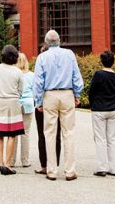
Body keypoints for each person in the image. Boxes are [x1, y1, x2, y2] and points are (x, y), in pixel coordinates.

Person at [33, 29, 83, 181]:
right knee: (69, 133)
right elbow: (76, 76)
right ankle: (70, 171)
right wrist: (77, 94)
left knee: (49, 133)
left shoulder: (42, 57)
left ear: (46, 42)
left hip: (50, 95)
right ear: (59, 41)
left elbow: (38, 81)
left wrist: (38, 100)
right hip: (67, 93)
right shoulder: (69, 54)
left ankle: (51, 170)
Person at [0, 44, 25, 175]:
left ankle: (0, 162)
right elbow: (20, 89)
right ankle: (7, 164)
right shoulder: (18, 72)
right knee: (12, 134)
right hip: (13, 103)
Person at [89, 50, 115, 177]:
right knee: (112, 139)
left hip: (99, 109)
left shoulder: (98, 75)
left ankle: (101, 167)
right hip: (113, 109)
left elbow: (92, 91)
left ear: (102, 61)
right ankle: (114, 168)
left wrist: (92, 104)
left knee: (100, 139)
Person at [33, 43, 61, 175]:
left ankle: (44, 165)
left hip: (44, 100)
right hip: (57, 100)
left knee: (42, 134)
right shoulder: (58, 65)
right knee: (57, 133)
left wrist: (38, 102)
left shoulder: (41, 62)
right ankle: (54, 163)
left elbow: (38, 83)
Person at [11, 52, 35, 168]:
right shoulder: (31, 75)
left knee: (14, 133)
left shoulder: (13, 75)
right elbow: (35, 91)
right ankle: (25, 161)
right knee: (25, 133)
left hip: (16, 104)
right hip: (28, 104)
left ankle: (11, 160)